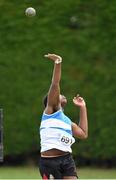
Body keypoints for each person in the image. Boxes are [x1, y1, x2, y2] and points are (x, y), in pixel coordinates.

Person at [39, 53, 88, 179]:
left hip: (66, 159)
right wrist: (58, 62)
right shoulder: (50, 112)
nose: (62, 95)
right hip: (49, 162)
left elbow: (83, 133)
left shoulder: (67, 121)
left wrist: (82, 107)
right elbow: (55, 84)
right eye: (59, 95)